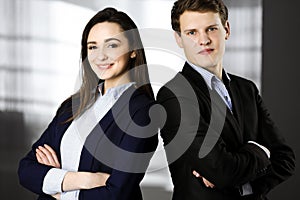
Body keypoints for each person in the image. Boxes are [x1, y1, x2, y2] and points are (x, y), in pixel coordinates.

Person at [157, 0, 295, 199]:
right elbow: (222, 171)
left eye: (211, 29)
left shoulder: (247, 89)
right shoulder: (174, 95)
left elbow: (286, 160)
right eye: (192, 33)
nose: (203, 40)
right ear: (179, 39)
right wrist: (261, 150)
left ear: (227, 29)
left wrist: (239, 182)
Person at [18, 7, 158, 200]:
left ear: (133, 50)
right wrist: (82, 180)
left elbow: (117, 192)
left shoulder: (143, 111)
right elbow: (26, 169)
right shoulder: (73, 105)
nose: (100, 56)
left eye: (112, 45)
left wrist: (59, 193)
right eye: (92, 47)